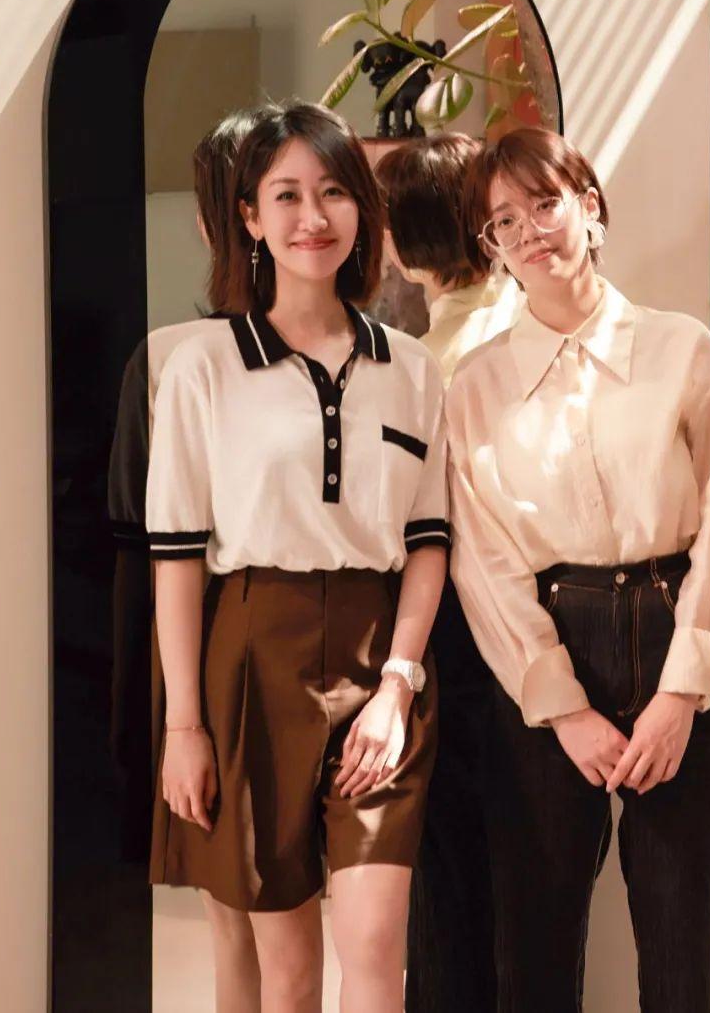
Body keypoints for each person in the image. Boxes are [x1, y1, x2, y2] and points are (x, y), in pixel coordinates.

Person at [146, 99, 449, 1013]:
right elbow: (176, 557)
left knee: (376, 945)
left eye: (333, 193)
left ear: (362, 209)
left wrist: (398, 686)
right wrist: (186, 728)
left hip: (380, 659)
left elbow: (428, 543)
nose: (312, 217)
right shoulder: (203, 367)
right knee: (287, 968)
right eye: (286, 196)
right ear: (250, 218)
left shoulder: (412, 368)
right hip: (251, 653)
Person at [446, 127, 710, 1013]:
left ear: (590, 208)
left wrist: (683, 691)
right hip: (545, 654)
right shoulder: (475, 386)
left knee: (685, 962)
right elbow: (485, 562)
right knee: (533, 960)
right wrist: (564, 708)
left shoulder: (683, 349)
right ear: (493, 248)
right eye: (505, 221)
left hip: (674, 631)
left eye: (545, 203)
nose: (530, 231)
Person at [108, 107, 263, 1009]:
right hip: (268, 659)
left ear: (209, 224)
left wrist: (151, 720)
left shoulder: (168, 358)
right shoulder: (373, 350)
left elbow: (138, 548)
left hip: (203, 658)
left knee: (235, 922)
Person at [375, 134, 521, 1013]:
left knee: (452, 861)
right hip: (531, 618)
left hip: (461, 625)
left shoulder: (432, 362)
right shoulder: (522, 318)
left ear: (406, 236)